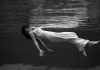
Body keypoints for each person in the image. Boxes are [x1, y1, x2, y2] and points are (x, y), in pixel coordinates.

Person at [21, 24, 100, 56]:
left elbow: (40, 42)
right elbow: (36, 42)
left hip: (52, 36)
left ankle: (82, 47)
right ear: (26, 30)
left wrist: (47, 48)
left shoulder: (33, 30)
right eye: (27, 28)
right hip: (51, 36)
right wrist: (39, 50)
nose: (29, 27)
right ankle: (89, 43)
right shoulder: (31, 32)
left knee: (71, 35)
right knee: (69, 36)